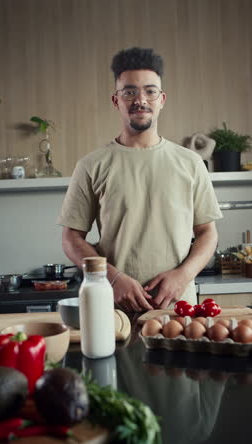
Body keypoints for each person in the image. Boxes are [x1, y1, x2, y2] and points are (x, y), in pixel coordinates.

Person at [57, 47, 222, 312]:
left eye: (150, 90)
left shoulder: (190, 163)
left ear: (162, 99)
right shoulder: (91, 165)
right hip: (114, 310)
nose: (140, 99)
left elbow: (207, 232)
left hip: (179, 308)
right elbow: (71, 238)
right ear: (116, 100)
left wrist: (182, 276)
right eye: (129, 91)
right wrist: (113, 278)